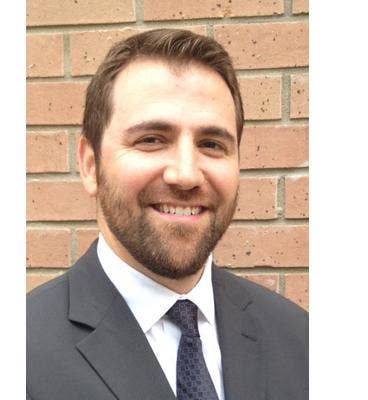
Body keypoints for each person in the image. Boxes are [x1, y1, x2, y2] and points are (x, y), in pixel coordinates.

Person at [27, 29, 308, 400]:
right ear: (90, 165)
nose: (186, 175)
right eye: (151, 140)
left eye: (212, 144)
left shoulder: (300, 340)